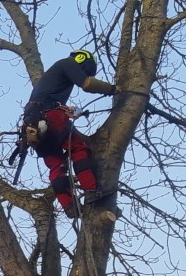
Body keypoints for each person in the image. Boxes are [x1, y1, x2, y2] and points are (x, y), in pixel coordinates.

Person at [23, 49, 119, 217]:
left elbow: (47, 100)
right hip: (49, 116)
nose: (82, 74)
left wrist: (68, 111)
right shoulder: (67, 63)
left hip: (34, 124)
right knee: (77, 147)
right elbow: (87, 84)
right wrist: (112, 89)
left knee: (56, 163)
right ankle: (91, 191)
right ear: (82, 59)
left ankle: (69, 206)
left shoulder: (48, 82)